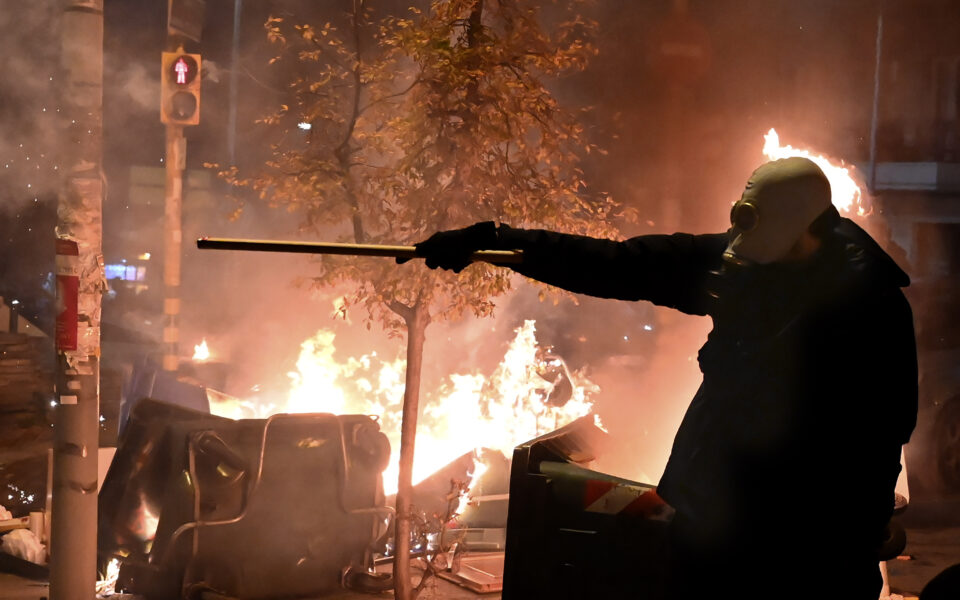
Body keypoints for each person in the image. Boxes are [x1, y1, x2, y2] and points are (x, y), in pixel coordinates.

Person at [404, 157, 918, 599]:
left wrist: (863, 529)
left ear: (807, 229)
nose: (740, 248)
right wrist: (495, 241)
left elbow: (885, 429)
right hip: (711, 526)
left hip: (809, 551)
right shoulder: (743, 265)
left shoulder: (869, 307)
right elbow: (619, 265)